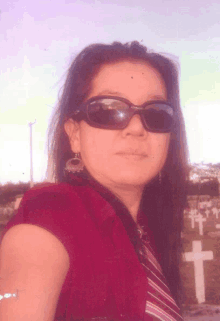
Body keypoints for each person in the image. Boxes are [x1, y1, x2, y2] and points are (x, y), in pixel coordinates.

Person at [0, 41, 188, 321]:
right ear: (74, 134)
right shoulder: (51, 218)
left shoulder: (143, 232)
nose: (136, 128)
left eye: (156, 113)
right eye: (108, 109)